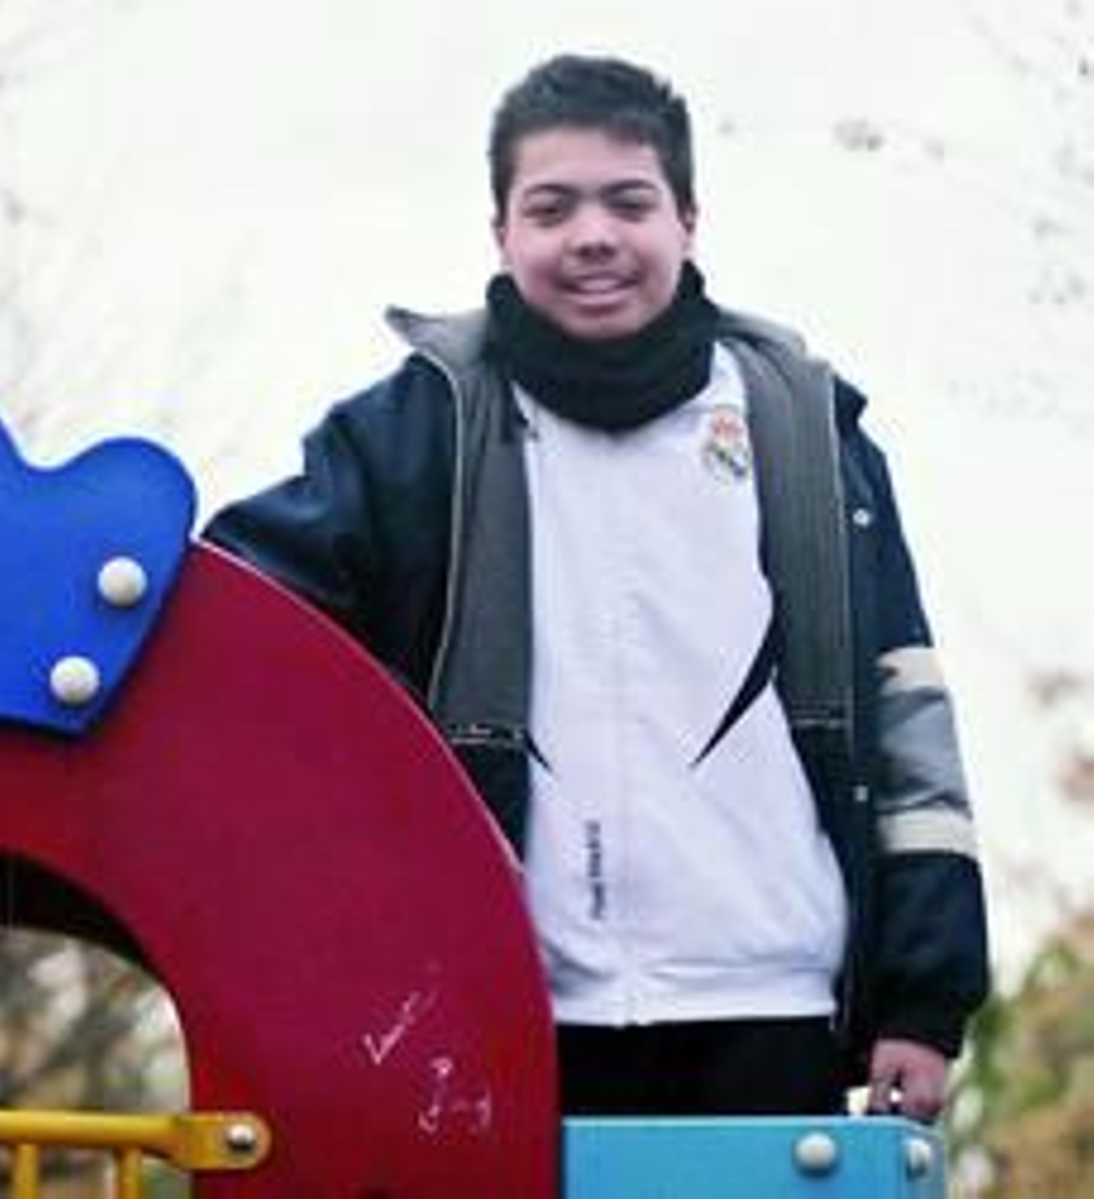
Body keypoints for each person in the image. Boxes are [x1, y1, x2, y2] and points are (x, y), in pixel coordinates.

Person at [203, 53, 989, 1121]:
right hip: (503, 1012)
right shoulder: (411, 430)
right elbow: (244, 618)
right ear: (501, 233)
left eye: (628, 201)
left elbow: (910, 730)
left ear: (687, 219)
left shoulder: (806, 434)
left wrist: (926, 997)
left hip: (770, 1002)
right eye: (551, 206)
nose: (592, 237)